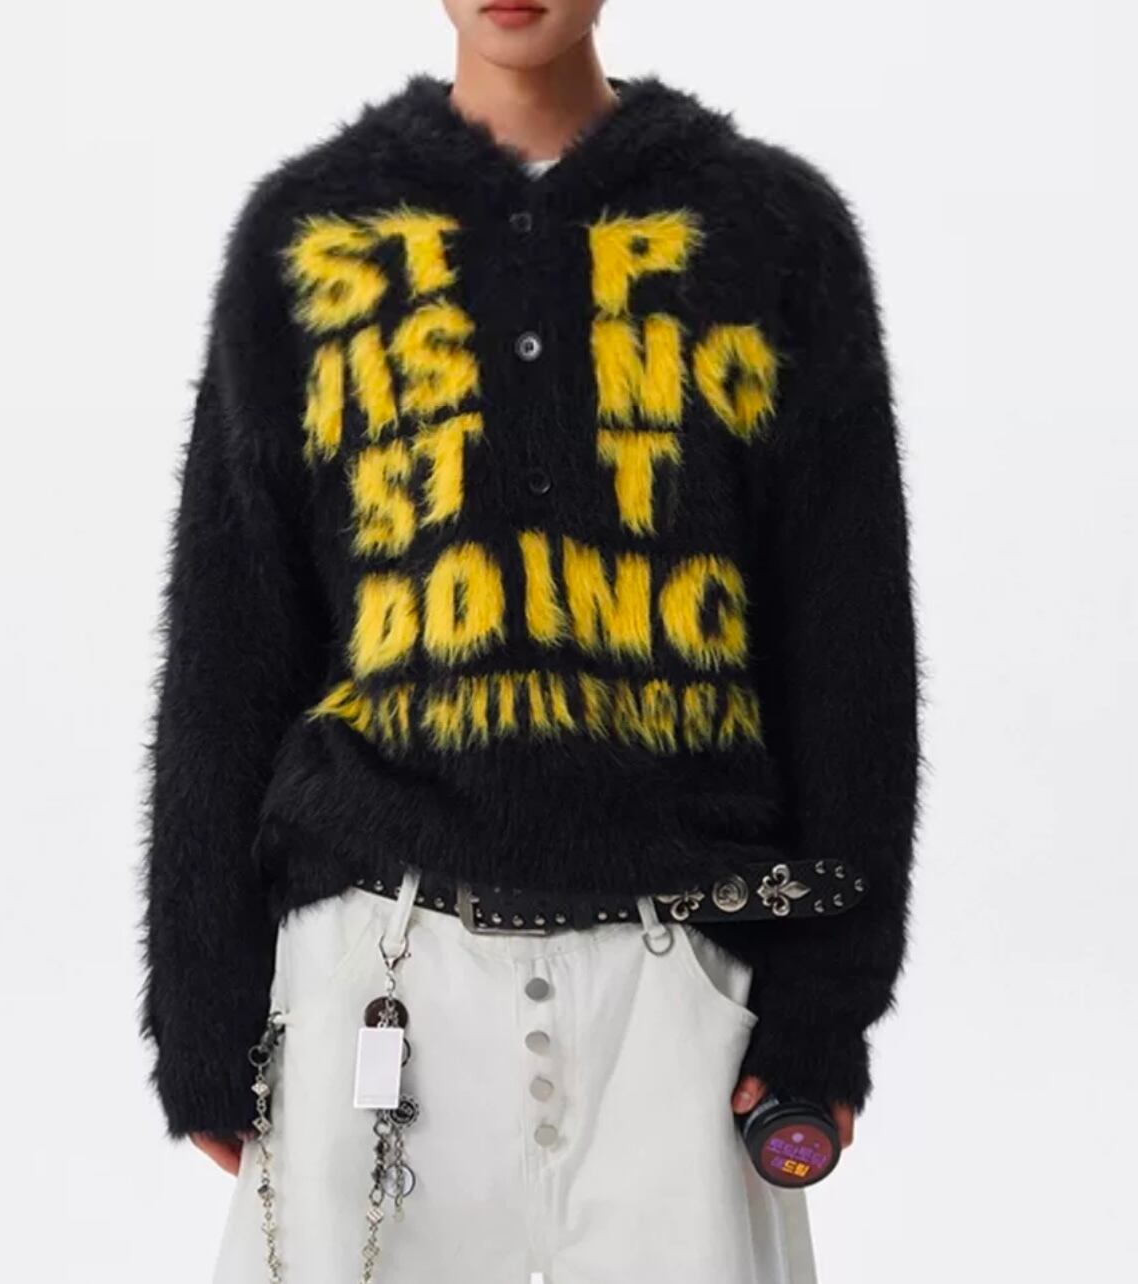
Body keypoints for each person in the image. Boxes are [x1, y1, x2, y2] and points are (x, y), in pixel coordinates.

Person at [138, 1, 922, 1280]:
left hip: (678, 993)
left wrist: (829, 1004)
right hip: (379, 972)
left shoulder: (769, 230)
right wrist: (202, 1008)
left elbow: (847, 642)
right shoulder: (313, 233)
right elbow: (231, 640)